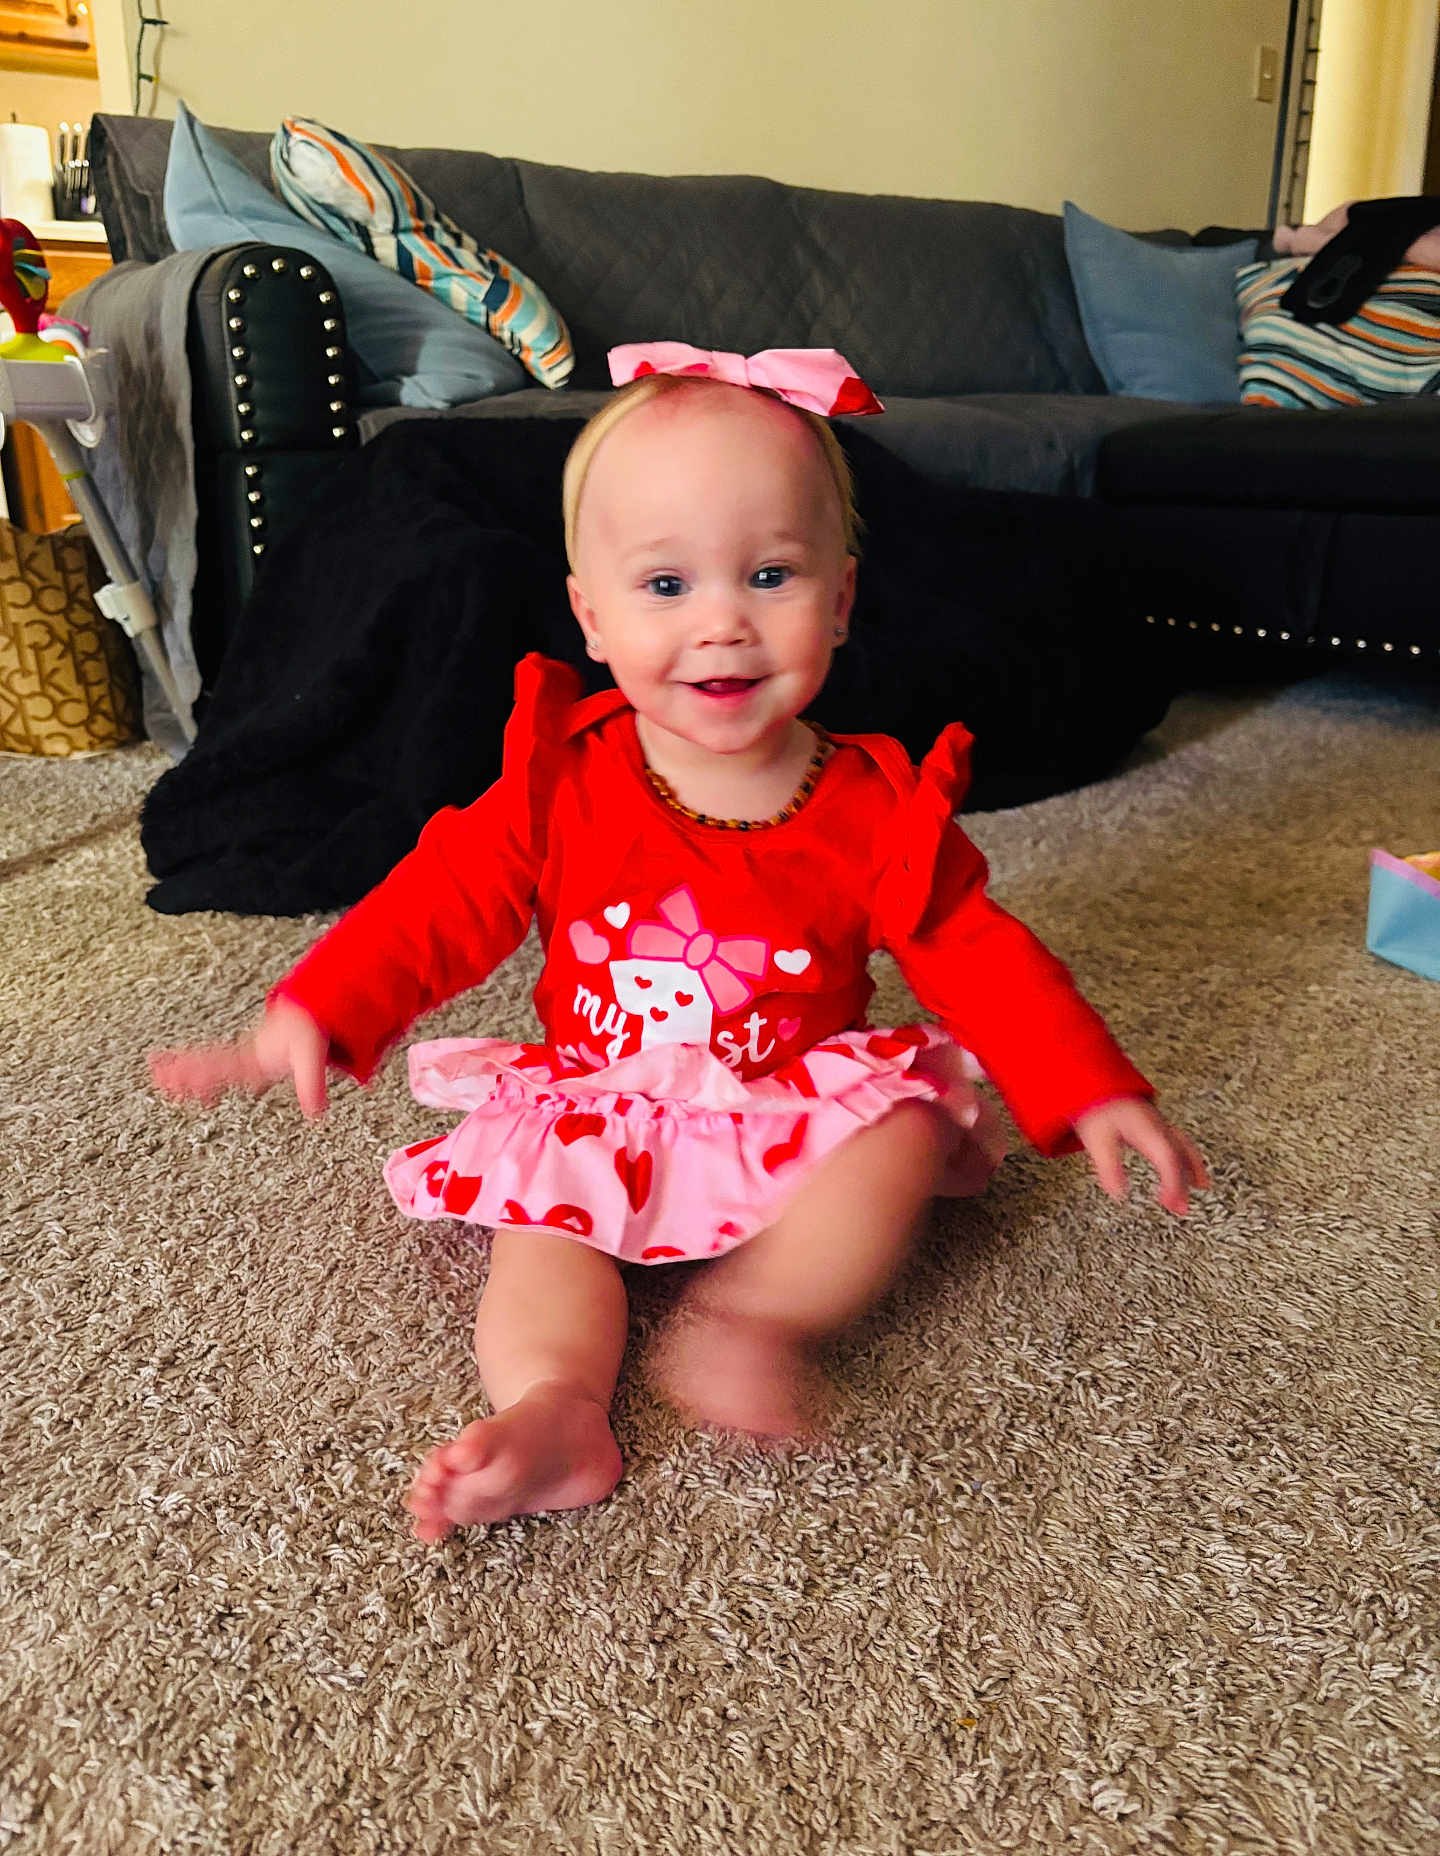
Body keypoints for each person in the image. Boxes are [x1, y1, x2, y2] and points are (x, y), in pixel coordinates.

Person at [151, 344, 1208, 1544]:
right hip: (603, 1101)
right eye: (665, 587)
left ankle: (756, 1323)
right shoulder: (559, 787)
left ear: (843, 600)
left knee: (907, 1129)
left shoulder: (876, 808)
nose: (721, 624)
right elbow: (434, 902)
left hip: (788, 1106)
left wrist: (1090, 1084)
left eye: (769, 575)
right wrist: (320, 1004)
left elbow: (978, 951)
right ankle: (558, 1410)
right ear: (591, 616)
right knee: (540, 1231)